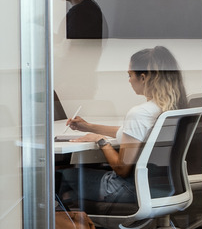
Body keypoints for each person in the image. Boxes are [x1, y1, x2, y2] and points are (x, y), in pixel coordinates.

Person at [63, 44, 187, 210]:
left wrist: (101, 141)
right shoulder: (170, 108)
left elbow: (121, 169)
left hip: (129, 189)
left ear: (143, 78)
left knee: (62, 176)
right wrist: (89, 127)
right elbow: (131, 133)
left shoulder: (139, 113)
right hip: (166, 186)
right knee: (74, 183)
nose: (129, 80)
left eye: (130, 75)